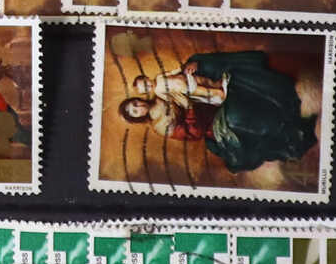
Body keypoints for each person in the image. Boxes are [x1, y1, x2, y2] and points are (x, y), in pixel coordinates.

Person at [119, 50, 317, 174]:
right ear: (138, 118)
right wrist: (190, 109)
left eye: (135, 103)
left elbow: (180, 82)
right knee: (235, 118)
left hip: (209, 100)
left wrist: (191, 67)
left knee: (234, 80)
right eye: (135, 112)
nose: (139, 107)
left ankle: (285, 105)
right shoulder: (161, 127)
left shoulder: (160, 94)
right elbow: (193, 133)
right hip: (211, 124)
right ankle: (290, 132)